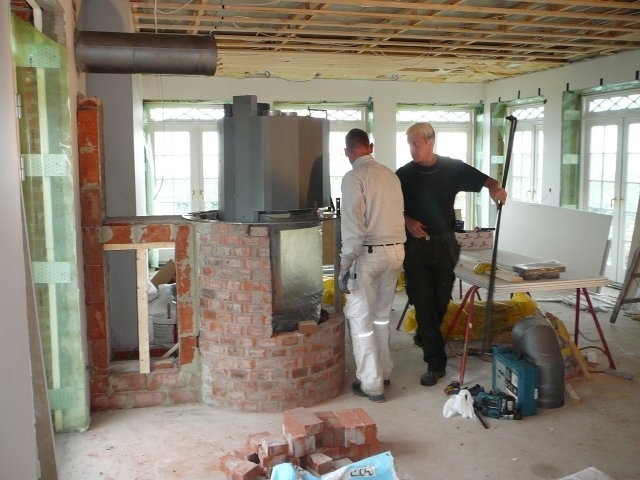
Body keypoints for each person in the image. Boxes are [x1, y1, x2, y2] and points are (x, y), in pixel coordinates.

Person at [396, 122, 507, 387]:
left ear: (430, 141)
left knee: (441, 300)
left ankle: (426, 335)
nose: (412, 148)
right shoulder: (404, 175)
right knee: (423, 302)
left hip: (445, 244)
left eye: (416, 143)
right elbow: (390, 207)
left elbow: (488, 181)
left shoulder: (451, 168)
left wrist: (496, 188)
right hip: (415, 247)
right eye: (409, 143)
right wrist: (406, 220)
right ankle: (436, 364)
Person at [337, 128, 406, 403]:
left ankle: (372, 384)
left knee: (360, 320)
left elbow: (353, 225)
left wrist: (345, 264)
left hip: (369, 255)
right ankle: (384, 371)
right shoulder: (390, 175)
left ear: (347, 152)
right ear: (371, 147)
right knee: (381, 316)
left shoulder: (354, 177)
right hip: (396, 252)